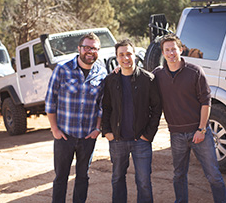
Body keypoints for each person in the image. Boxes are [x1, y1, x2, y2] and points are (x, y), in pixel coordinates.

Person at [153, 34, 226, 203]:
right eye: (167, 50)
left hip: (199, 133)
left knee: (214, 176)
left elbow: (206, 101)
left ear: (181, 49)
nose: (171, 53)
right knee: (179, 175)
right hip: (176, 135)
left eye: (174, 49)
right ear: (163, 53)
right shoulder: (158, 74)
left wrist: (202, 129)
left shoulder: (195, 71)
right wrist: (118, 70)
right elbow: (139, 80)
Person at [45, 32, 107, 203]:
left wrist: (97, 129)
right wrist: (55, 129)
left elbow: (102, 105)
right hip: (65, 135)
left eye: (94, 48)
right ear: (79, 48)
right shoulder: (62, 69)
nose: (90, 51)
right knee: (61, 178)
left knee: (82, 177)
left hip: (88, 137)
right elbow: (51, 101)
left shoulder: (101, 73)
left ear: (98, 51)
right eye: (86, 47)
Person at [101, 39, 162, 203]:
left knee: (143, 182)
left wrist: (148, 135)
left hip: (141, 141)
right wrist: (107, 131)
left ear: (135, 55)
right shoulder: (111, 80)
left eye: (128, 53)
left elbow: (156, 109)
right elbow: (106, 107)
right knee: (117, 179)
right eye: (121, 55)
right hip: (117, 140)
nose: (125, 58)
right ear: (116, 57)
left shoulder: (147, 79)